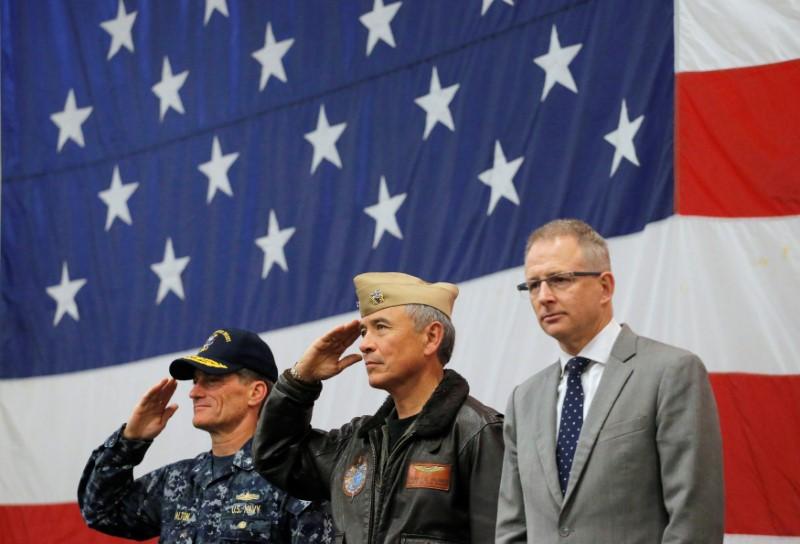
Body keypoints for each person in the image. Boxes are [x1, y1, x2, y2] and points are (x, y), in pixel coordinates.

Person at [495, 219, 724, 543]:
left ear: (605, 287)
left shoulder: (671, 373)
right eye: (533, 285)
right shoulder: (524, 400)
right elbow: (512, 529)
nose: (544, 296)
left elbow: (693, 523)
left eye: (559, 279)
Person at [252, 272, 505, 543]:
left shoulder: (478, 432)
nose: (364, 345)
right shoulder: (357, 440)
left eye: (381, 327)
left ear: (431, 337)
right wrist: (300, 380)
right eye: (364, 331)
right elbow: (275, 456)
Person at [78, 328, 333, 543]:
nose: (194, 393)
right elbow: (101, 511)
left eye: (211, 380)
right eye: (195, 381)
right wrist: (130, 440)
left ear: (255, 392)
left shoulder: (292, 476)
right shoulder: (178, 480)